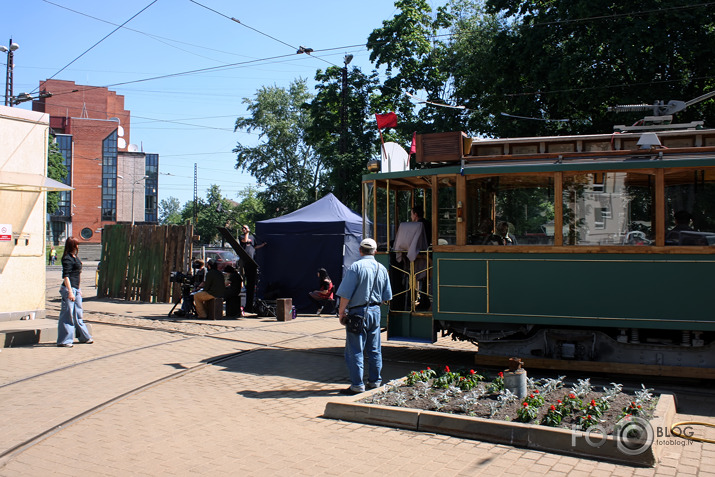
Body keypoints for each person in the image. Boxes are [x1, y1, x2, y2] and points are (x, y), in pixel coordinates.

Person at [336, 238, 393, 395]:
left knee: (355, 350)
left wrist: (342, 313)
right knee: (375, 349)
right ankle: (375, 382)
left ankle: (357, 385)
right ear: (375, 252)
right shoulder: (381, 269)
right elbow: (386, 296)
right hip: (375, 312)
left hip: (357, 313)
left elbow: (345, 294)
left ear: (360, 250)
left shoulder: (356, 267)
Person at [57, 237, 93, 347]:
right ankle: (65, 340)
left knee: (78, 313)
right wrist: (70, 292)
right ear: (73, 245)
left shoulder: (75, 257)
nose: (78, 246)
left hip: (76, 289)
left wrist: (78, 289)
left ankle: (84, 337)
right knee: (67, 315)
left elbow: (77, 275)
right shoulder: (67, 258)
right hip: (69, 289)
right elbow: (66, 276)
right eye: (77, 244)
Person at [238, 225, 266, 313]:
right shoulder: (242, 236)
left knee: (253, 280)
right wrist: (246, 233)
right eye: (243, 228)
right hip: (245, 260)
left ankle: (251, 303)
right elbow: (245, 241)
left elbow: (254, 247)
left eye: (245, 228)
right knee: (245, 277)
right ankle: (243, 288)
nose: (244, 229)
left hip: (252, 260)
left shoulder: (252, 237)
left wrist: (262, 245)